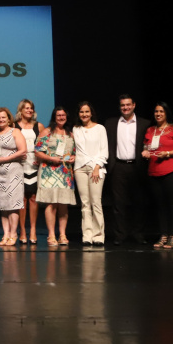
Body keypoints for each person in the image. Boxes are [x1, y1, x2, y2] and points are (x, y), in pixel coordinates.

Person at [104, 94, 150, 245]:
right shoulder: (111, 123)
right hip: (118, 166)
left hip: (137, 166)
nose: (126, 107)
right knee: (118, 203)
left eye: (128, 104)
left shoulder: (145, 123)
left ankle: (138, 234)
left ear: (134, 105)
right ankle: (120, 235)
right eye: (123, 105)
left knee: (139, 202)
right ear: (119, 107)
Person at [141, 102, 173, 249]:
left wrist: (168, 153)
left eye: (161, 111)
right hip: (154, 171)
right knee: (160, 205)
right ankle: (164, 235)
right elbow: (146, 146)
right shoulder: (150, 130)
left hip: (172, 170)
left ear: (166, 113)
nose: (158, 114)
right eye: (156, 111)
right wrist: (145, 151)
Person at [35, 106, 76, 246]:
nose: (61, 118)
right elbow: (37, 151)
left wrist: (74, 158)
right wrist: (51, 158)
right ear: (54, 117)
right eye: (58, 115)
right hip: (49, 172)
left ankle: (62, 234)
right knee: (51, 203)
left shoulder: (70, 134)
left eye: (63, 115)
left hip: (65, 172)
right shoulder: (47, 132)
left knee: (63, 204)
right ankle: (51, 235)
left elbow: (74, 152)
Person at [72, 102, 108, 246]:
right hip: (80, 168)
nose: (84, 114)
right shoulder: (76, 129)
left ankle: (98, 235)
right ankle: (87, 235)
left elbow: (104, 151)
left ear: (91, 113)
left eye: (87, 111)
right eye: (82, 112)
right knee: (85, 203)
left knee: (96, 202)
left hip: (96, 168)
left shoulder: (100, 128)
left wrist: (97, 167)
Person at [0, 107, 27, 246]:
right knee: (3, 206)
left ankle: (13, 234)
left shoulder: (15, 131)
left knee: (12, 205)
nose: (1, 120)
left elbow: (23, 150)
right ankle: (5, 234)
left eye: (3, 117)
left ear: (8, 119)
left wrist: (5, 159)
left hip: (13, 172)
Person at [15, 99, 45, 245]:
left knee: (33, 197)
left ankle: (33, 230)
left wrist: (40, 158)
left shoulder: (39, 126)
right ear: (20, 110)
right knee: (22, 199)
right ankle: (22, 230)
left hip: (34, 165)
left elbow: (44, 145)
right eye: (26, 108)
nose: (29, 110)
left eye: (31, 108)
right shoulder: (13, 126)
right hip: (19, 165)